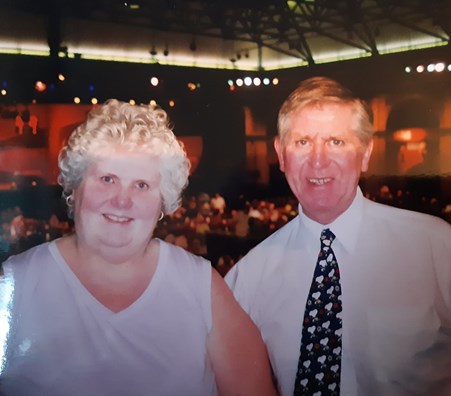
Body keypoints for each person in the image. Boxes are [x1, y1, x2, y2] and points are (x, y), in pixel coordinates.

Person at [225, 77, 451, 395]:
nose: (318, 159)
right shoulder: (248, 278)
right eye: (302, 142)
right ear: (281, 154)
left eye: (335, 142)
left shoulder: (435, 247)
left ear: (365, 153)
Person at [0, 100, 277, 396]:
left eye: (142, 185)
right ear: (75, 185)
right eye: (107, 179)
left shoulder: (201, 286)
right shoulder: (16, 284)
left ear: (163, 201)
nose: (122, 201)